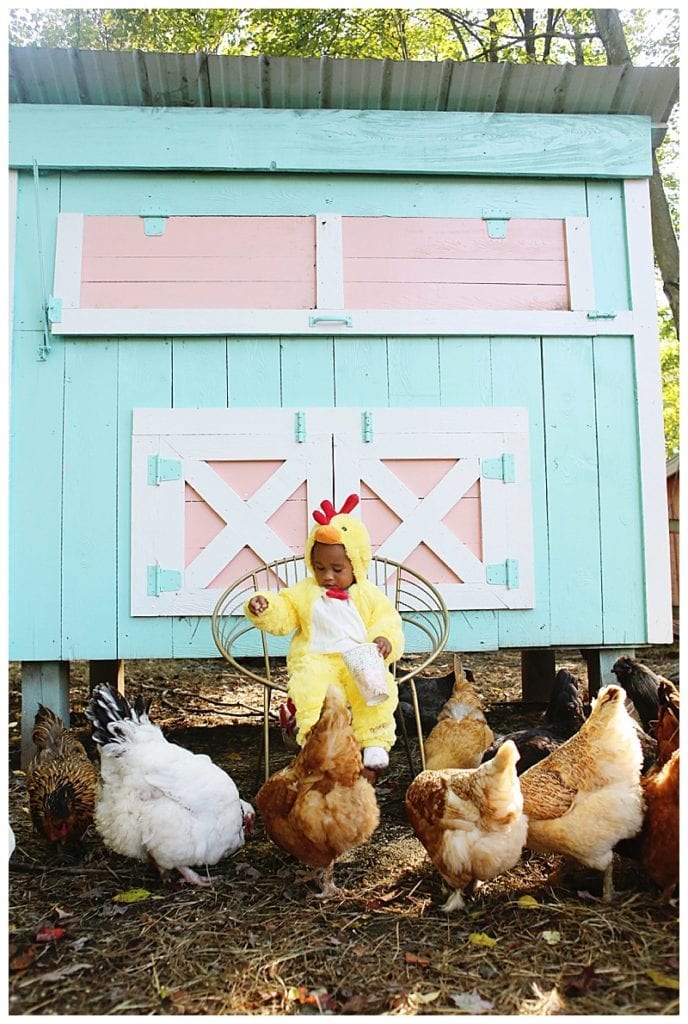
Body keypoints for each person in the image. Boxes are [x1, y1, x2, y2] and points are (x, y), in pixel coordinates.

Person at [245, 494, 405, 771]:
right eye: (320, 568)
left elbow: (386, 620)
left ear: (356, 563)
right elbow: (285, 610)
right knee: (312, 691)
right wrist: (265, 606)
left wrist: (384, 640)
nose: (327, 575)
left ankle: (375, 740)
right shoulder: (306, 592)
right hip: (317, 658)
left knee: (377, 689)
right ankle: (316, 740)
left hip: (359, 655)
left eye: (337, 569)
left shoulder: (368, 594)